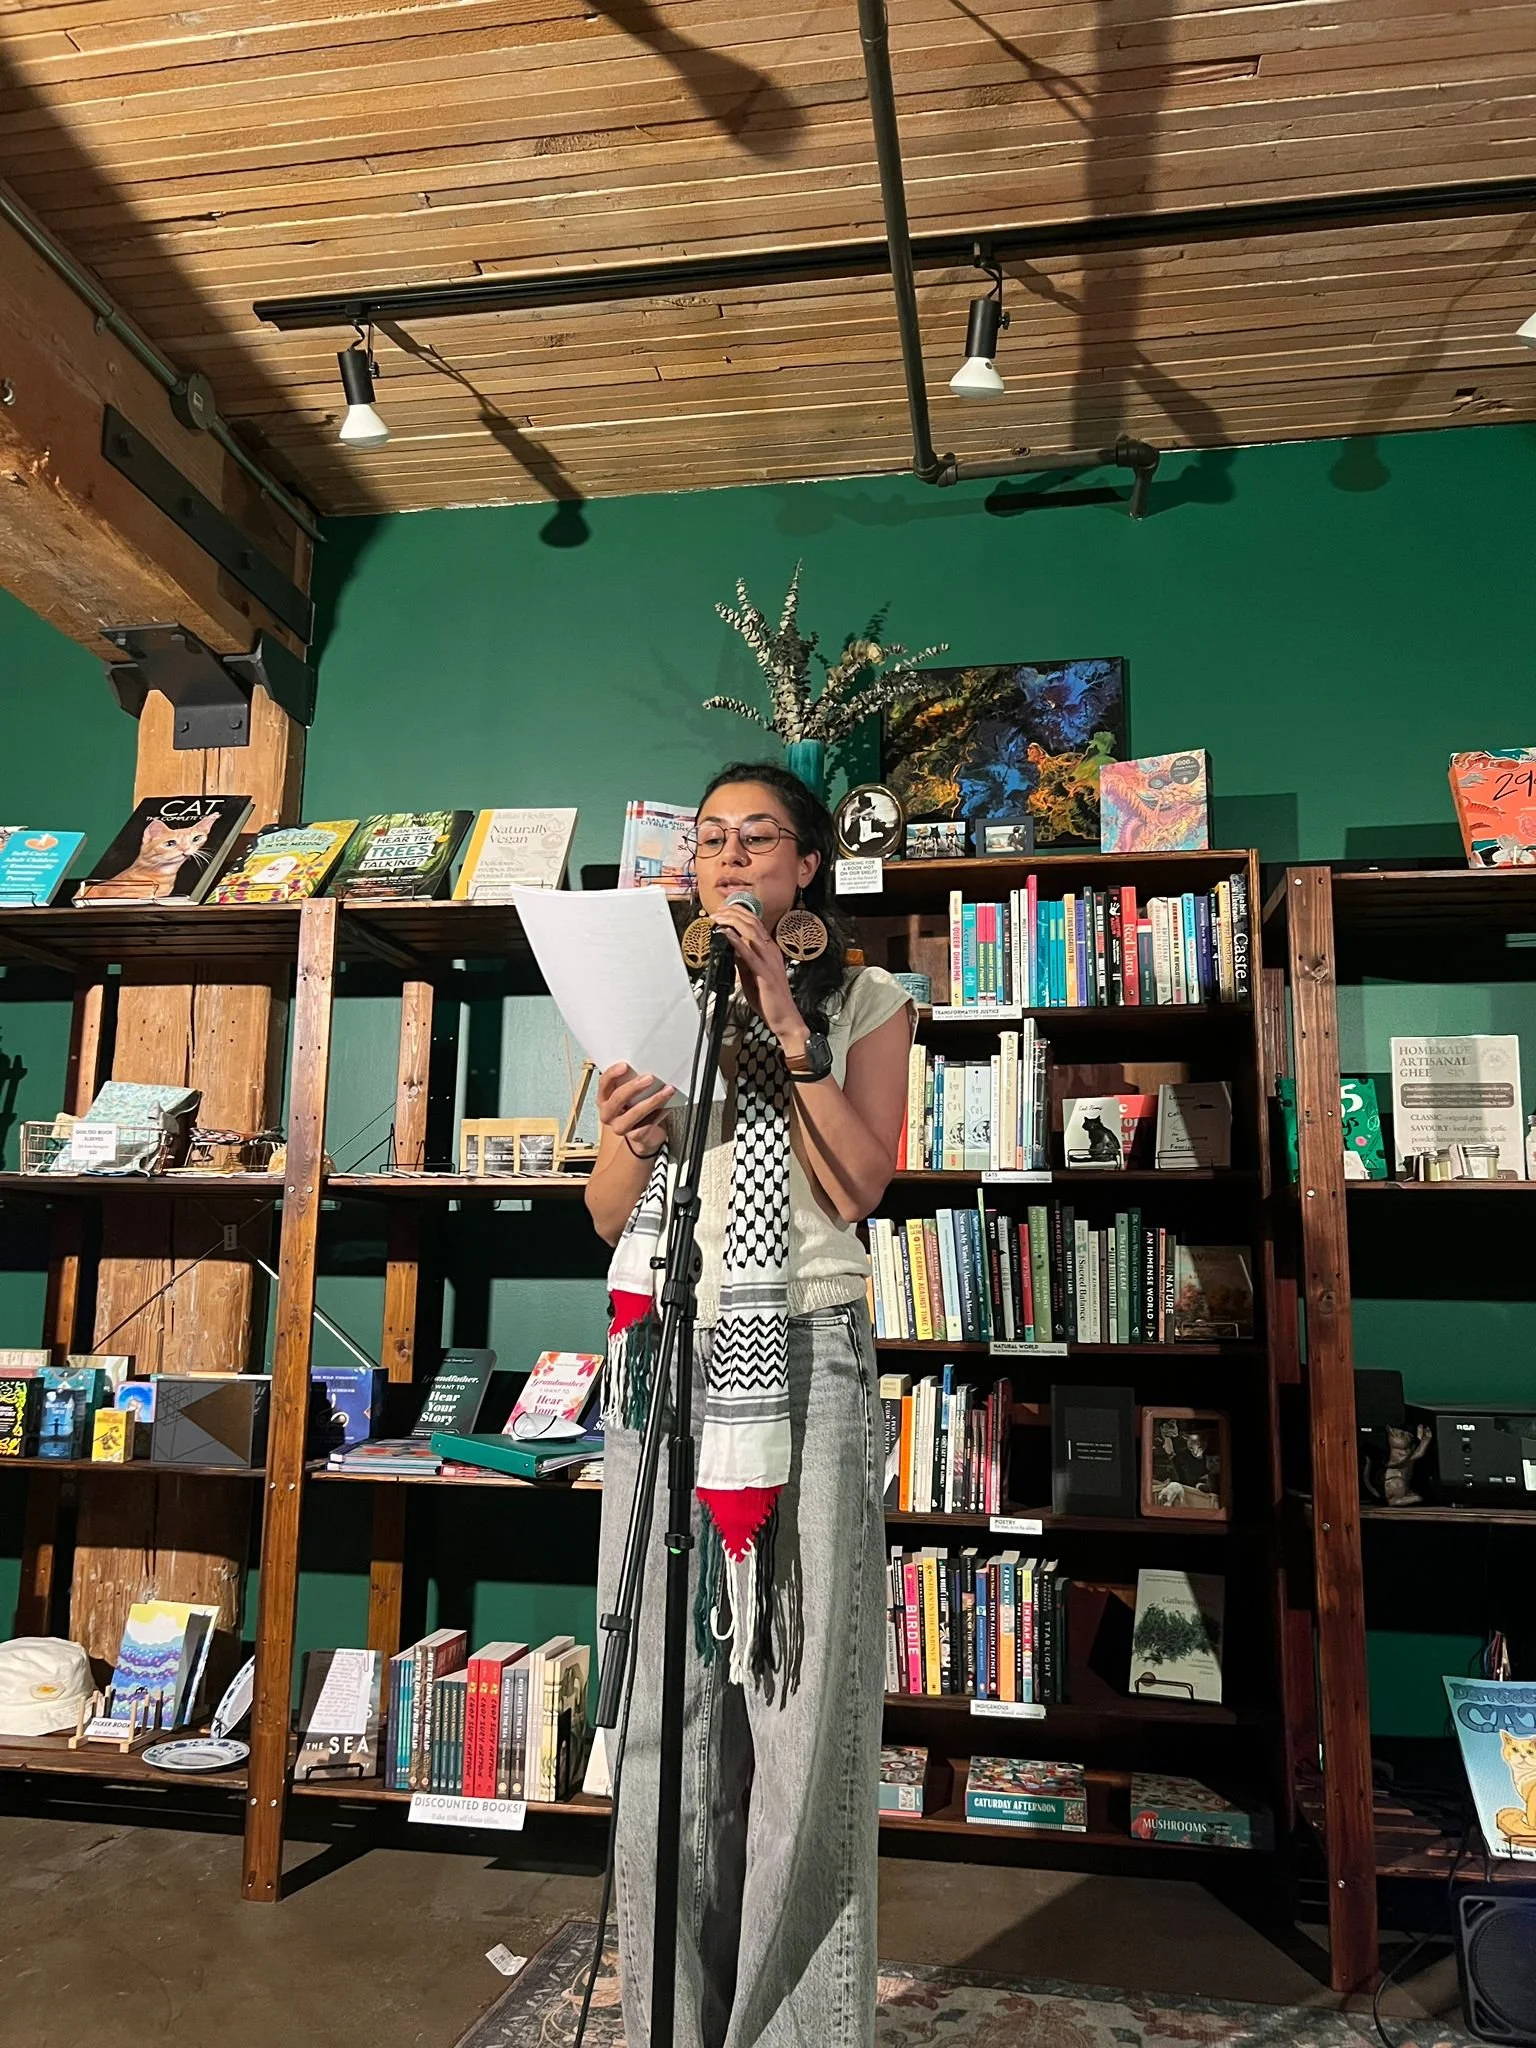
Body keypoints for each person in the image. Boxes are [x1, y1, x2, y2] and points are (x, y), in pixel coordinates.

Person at [585, 761, 914, 2048]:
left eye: (757, 836)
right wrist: (632, 1131)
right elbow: (609, 1218)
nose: (727, 856)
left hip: (804, 1353)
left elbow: (860, 1184)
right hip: (661, 1354)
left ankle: (791, 2032)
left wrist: (786, 1019)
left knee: (800, 1737)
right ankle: (668, 2024)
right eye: (709, 837)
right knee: (664, 1729)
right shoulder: (651, 1005)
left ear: (806, 867)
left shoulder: (870, 998)